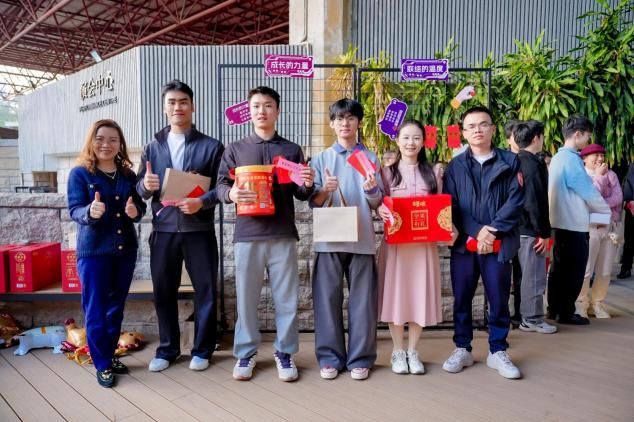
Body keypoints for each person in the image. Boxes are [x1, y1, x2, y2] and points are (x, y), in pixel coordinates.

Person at [216, 86, 315, 382]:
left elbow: (300, 192)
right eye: (256, 106)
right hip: (247, 234)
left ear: (277, 111)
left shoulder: (292, 150)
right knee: (246, 299)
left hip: (283, 233)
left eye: (268, 105)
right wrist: (231, 193)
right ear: (249, 111)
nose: (262, 111)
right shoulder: (235, 149)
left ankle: (284, 352)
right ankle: (246, 353)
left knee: (287, 298)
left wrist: (308, 183)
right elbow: (220, 185)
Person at [136, 80, 224, 372]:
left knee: (206, 290)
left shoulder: (212, 146)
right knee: (163, 291)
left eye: (183, 101)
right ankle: (167, 349)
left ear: (193, 106)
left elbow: (223, 188)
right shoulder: (151, 148)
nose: (178, 107)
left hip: (199, 230)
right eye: (172, 102)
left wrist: (202, 202)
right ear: (164, 108)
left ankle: (202, 350)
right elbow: (139, 189)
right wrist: (145, 186)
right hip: (163, 231)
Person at [442, 106, 524, 380]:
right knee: (462, 297)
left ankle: (497, 350)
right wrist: (478, 232)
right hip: (465, 245)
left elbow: (516, 200)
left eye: (483, 124)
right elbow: (452, 205)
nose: (477, 130)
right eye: (471, 126)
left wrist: (492, 232)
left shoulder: (511, 161)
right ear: (463, 132)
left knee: (499, 298)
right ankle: (462, 348)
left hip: (499, 243)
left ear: (493, 128)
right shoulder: (455, 166)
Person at [68, 119, 146, 387]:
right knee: (96, 310)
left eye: (113, 140)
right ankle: (101, 363)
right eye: (100, 139)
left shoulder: (128, 175)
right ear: (92, 141)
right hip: (94, 253)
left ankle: (109, 355)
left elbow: (139, 208)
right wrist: (90, 212)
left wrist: (135, 212)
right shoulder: (80, 174)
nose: (106, 144)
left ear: (120, 144)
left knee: (116, 308)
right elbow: (74, 209)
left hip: (125, 251)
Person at [309, 98, 383, 381]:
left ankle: (361, 359)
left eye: (350, 118)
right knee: (326, 301)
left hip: (362, 239)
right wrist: (325, 190)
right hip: (329, 239)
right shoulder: (320, 159)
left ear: (359, 123)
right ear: (332, 123)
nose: (345, 123)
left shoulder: (371, 158)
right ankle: (330, 358)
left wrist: (372, 190)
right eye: (339, 118)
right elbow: (314, 202)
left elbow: (377, 203)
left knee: (363, 303)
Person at [376, 120, 449, 375]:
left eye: (416, 138)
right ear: (397, 141)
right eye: (406, 137)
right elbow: (379, 204)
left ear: (423, 141)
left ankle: (413, 350)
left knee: (419, 295)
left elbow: (440, 207)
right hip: (396, 247)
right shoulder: (386, 173)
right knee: (396, 296)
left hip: (423, 247)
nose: (411, 143)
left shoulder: (434, 172)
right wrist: (380, 208)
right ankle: (398, 351)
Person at [547, 115, 610, 325]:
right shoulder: (572, 160)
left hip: (558, 222)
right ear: (577, 134)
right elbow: (588, 191)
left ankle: (554, 309)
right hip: (573, 223)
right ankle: (566, 312)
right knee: (574, 271)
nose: (587, 141)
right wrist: (605, 211)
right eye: (587, 137)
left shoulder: (557, 158)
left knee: (558, 269)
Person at [514, 121, 557, 334]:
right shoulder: (531, 164)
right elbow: (534, 201)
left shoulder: (517, 160)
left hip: (521, 228)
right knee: (534, 275)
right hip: (531, 230)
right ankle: (531, 318)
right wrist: (543, 233)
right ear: (536, 138)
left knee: (528, 275)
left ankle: (529, 316)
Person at [575, 144, 623, 318]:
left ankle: (597, 303)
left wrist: (601, 204)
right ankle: (581, 303)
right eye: (595, 155)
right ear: (584, 158)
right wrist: (600, 178)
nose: (600, 158)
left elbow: (618, 198)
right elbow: (590, 199)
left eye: (602, 155)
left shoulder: (612, 175)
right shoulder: (581, 175)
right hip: (589, 228)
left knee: (605, 270)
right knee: (585, 269)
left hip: (609, 227)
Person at [505, 119, 522, 326]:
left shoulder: (531, 160)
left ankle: (519, 313)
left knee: (520, 273)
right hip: (505, 227)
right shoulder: (504, 161)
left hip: (523, 228)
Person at [617, 163, 634, 279]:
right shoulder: (633, 166)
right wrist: (630, 200)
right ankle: (626, 268)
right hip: (632, 206)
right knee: (630, 239)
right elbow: (628, 183)